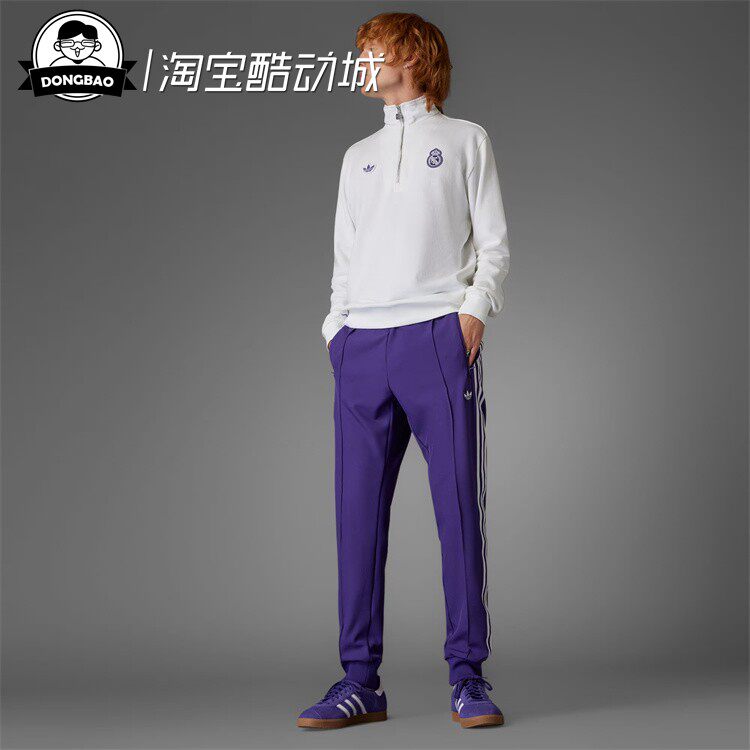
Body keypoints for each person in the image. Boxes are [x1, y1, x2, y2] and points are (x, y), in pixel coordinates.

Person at [298, 12, 510, 730]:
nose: (360, 61)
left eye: (373, 51)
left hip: (436, 341)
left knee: (457, 510)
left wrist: (472, 314)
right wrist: (336, 330)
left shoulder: (466, 140)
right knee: (356, 516)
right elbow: (345, 256)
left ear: (413, 57)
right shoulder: (356, 155)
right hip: (360, 347)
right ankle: (360, 680)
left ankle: (468, 677)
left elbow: (494, 244)